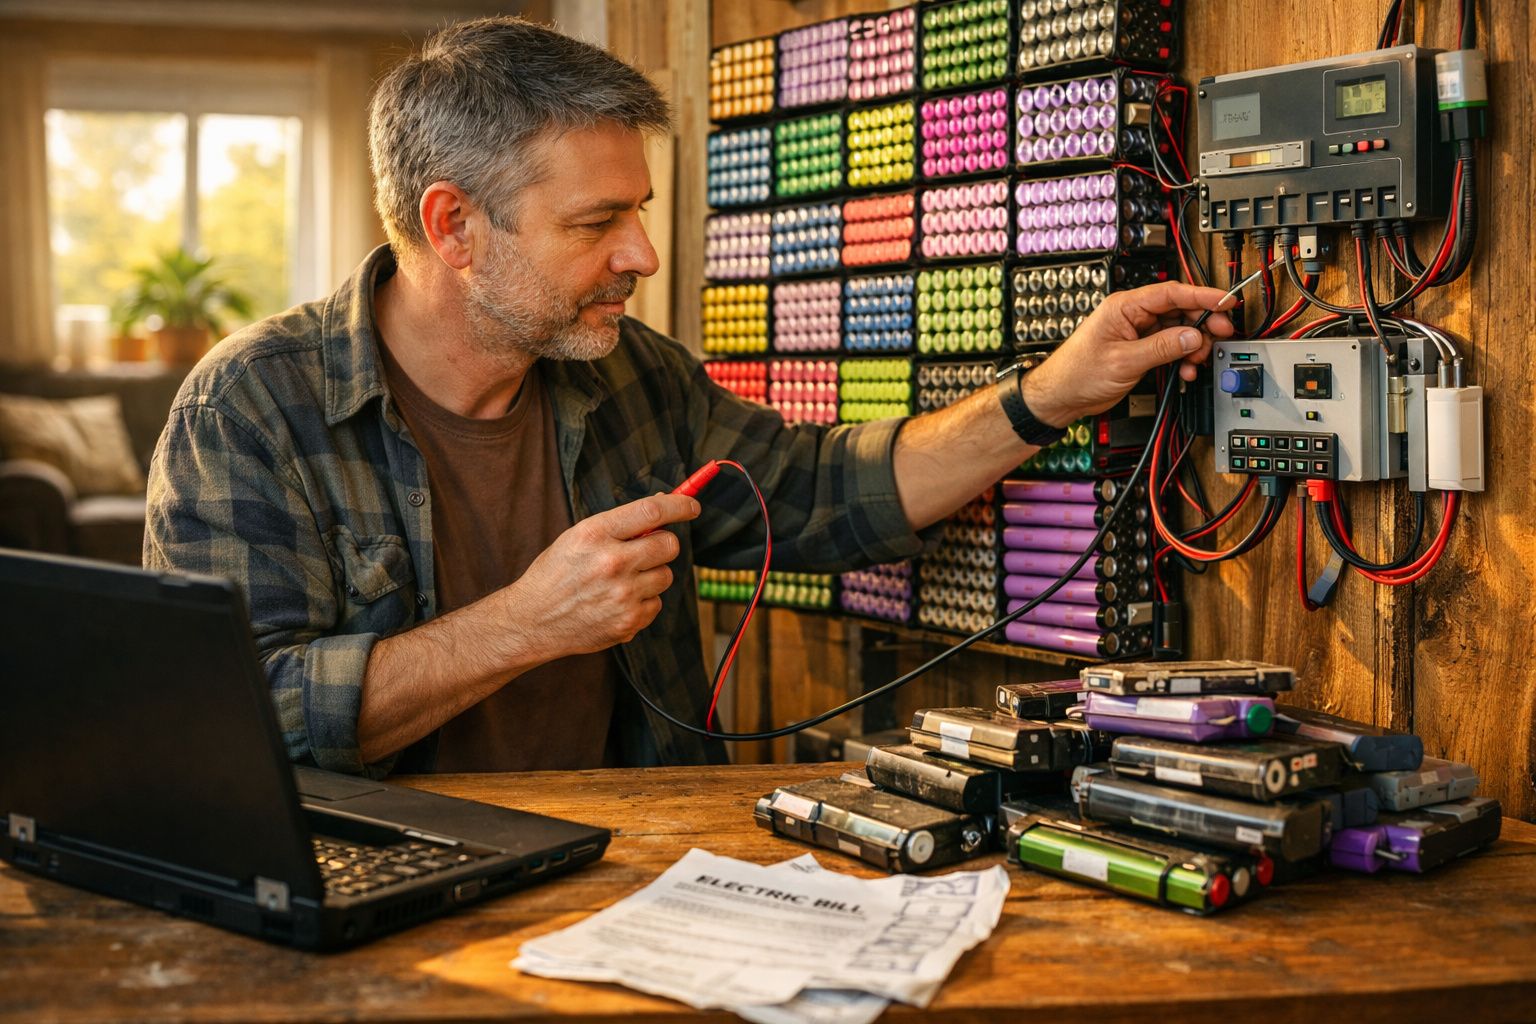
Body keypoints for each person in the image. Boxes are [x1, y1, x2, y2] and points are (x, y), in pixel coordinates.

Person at [143, 16, 1234, 778]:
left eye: (641, 211)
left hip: (632, 873)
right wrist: (525, 623)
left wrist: (1051, 391)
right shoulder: (248, 409)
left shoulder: (630, 371)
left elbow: (821, 489)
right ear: (452, 227)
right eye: (594, 223)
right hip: (381, 893)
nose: (645, 254)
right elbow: (232, 725)